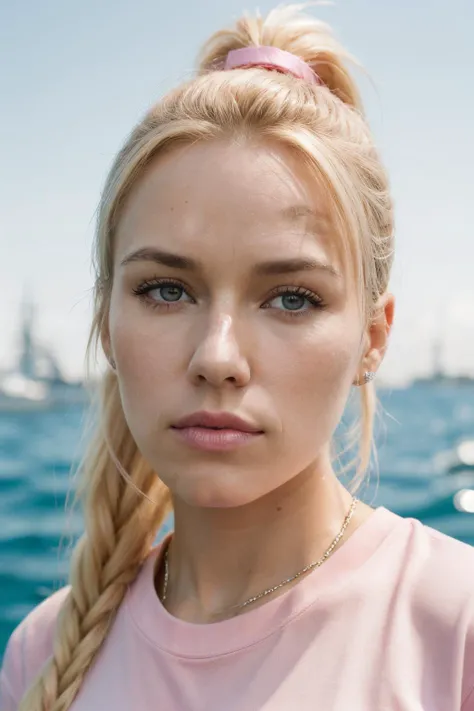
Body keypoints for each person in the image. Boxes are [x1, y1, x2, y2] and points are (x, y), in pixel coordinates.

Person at [1, 4, 474, 710]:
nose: (218, 357)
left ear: (373, 337)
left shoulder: (455, 630)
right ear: (105, 319)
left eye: (290, 298)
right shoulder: (41, 653)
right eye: (166, 289)